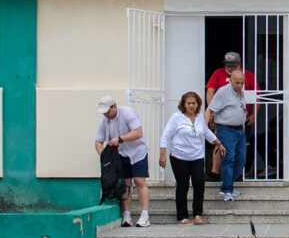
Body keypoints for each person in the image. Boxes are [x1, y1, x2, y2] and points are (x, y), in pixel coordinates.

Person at [160, 92, 226, 225]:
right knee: (183, 185)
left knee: (199, 183)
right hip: (179, 156)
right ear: (183, 104)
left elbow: (206, 132)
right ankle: (182, 216)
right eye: (188, 103)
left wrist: (218, 142)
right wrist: (162, 154)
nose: (191, 106)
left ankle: (197, 213)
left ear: (198, 104)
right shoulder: (176, 117)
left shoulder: (200, 117)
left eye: (194, 103)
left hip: (197, 156)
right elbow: (166, 135)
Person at [94, 96, 151, 228]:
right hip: (120, 155)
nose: (106, 114)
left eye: (107, 111)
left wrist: (120, 139)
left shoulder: (128, 113)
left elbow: (138, 132)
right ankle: (127, 214)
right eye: (103, 112)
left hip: (137, 152)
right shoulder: (104, 121)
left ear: (114, 106)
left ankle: (145, 214)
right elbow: (98, 141)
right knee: (125, 183)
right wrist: (105, 156)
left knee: (139, 181)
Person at [205, 51, 257, 180]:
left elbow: (256, 96)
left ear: (239, 64)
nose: (229, 68)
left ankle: (237, 175)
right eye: (227, 65)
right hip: (223, 120)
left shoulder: (248, 75)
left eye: (233, 65)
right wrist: (212, 110)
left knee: (241, 149)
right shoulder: (218, 73)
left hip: (241, 120)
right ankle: (214, 172)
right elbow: (210, 90)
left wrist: (254, 115)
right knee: (219, 144)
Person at [205, 70, 247, 201]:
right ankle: (227, 189)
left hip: (240, 130)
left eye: (242, 83)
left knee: (241, 159)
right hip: (226, 129)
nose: (240, 85)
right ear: (230, 80)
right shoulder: (223, 92)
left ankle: (228, 186)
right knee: (228, 158)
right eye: (237, 83)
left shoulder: (241, 92)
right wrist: (204, 128)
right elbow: (210, 109)